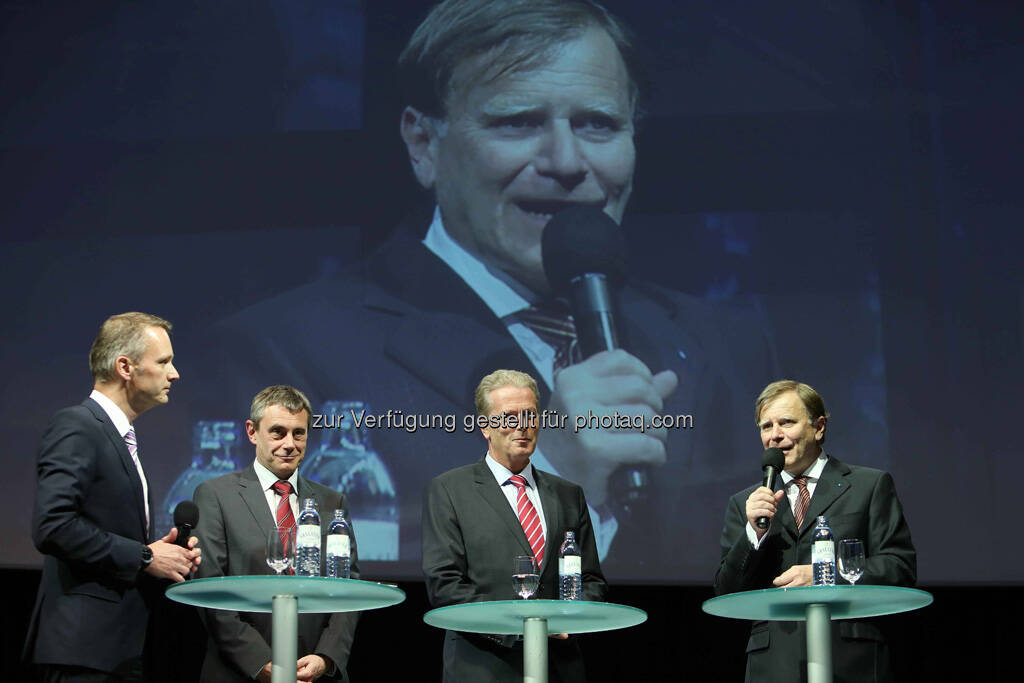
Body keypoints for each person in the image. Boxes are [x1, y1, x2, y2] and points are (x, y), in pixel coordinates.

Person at [190, 0, 777, 577]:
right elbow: (289, 606)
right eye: (518, 122)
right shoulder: (282, 356)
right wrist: (550, 474)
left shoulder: (722, 346)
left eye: (597, 123)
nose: (567, 161)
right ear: (424, 144)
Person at [25, 312, 200, 682]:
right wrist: (145, 555)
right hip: (84, 651)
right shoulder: (77, 425)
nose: (175, 374)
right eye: (164, 362)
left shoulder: (116, 435)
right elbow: (52, 525)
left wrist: (165, 554)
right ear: (125, 366)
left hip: (120, 649)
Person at [714, 380, 917, 682]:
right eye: (766, 426)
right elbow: (727, 591)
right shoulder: (746, 503)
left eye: (786, 422)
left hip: (850, 660)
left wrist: (826, 575)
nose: (775, 435)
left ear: (818, 427)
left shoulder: (869, 486)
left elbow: (899, 567)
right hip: (774, 666)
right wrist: (753, 534)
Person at [422, 369, 606, 682]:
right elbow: (445, 584)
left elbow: (591, 580)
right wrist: (516, 627)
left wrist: (565, 622)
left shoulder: (568, 494)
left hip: (559, 666)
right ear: (485, 426)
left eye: (530, 415)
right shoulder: (450, 490)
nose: (522, 426)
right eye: (509, 417)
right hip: (483, 665)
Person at [192, 385, 359, 683]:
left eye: (299, 433)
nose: (290, 444)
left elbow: (348, 589)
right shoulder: (215, 496)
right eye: (278, 432)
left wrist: (326, 657)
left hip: (316, 673)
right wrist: (261, 663)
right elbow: (211, 592)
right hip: (240, 673)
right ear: (252, 432)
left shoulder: (333, 502)